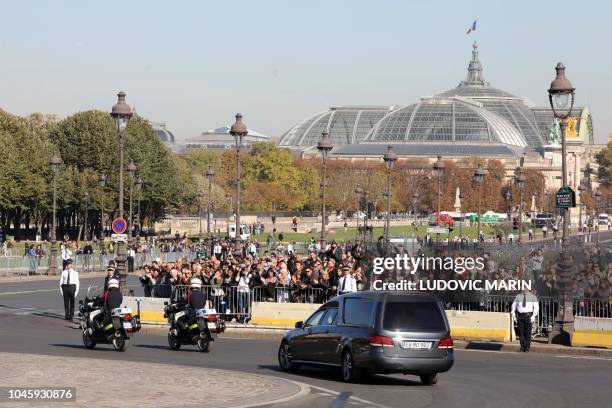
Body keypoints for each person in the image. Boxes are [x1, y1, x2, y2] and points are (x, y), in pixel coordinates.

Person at [511, 288, 539, 352]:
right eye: (524, 288)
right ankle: (522, 347)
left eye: (526, 288)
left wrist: (533, 316)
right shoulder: (518, 296)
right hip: (520, 316)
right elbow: (514, 306)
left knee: (528, 333)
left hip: (528, 316)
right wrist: (514, 316)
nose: (525, 289)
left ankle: (527, 347)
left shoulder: (533, 297)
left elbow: (536, 307)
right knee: (521, 333)